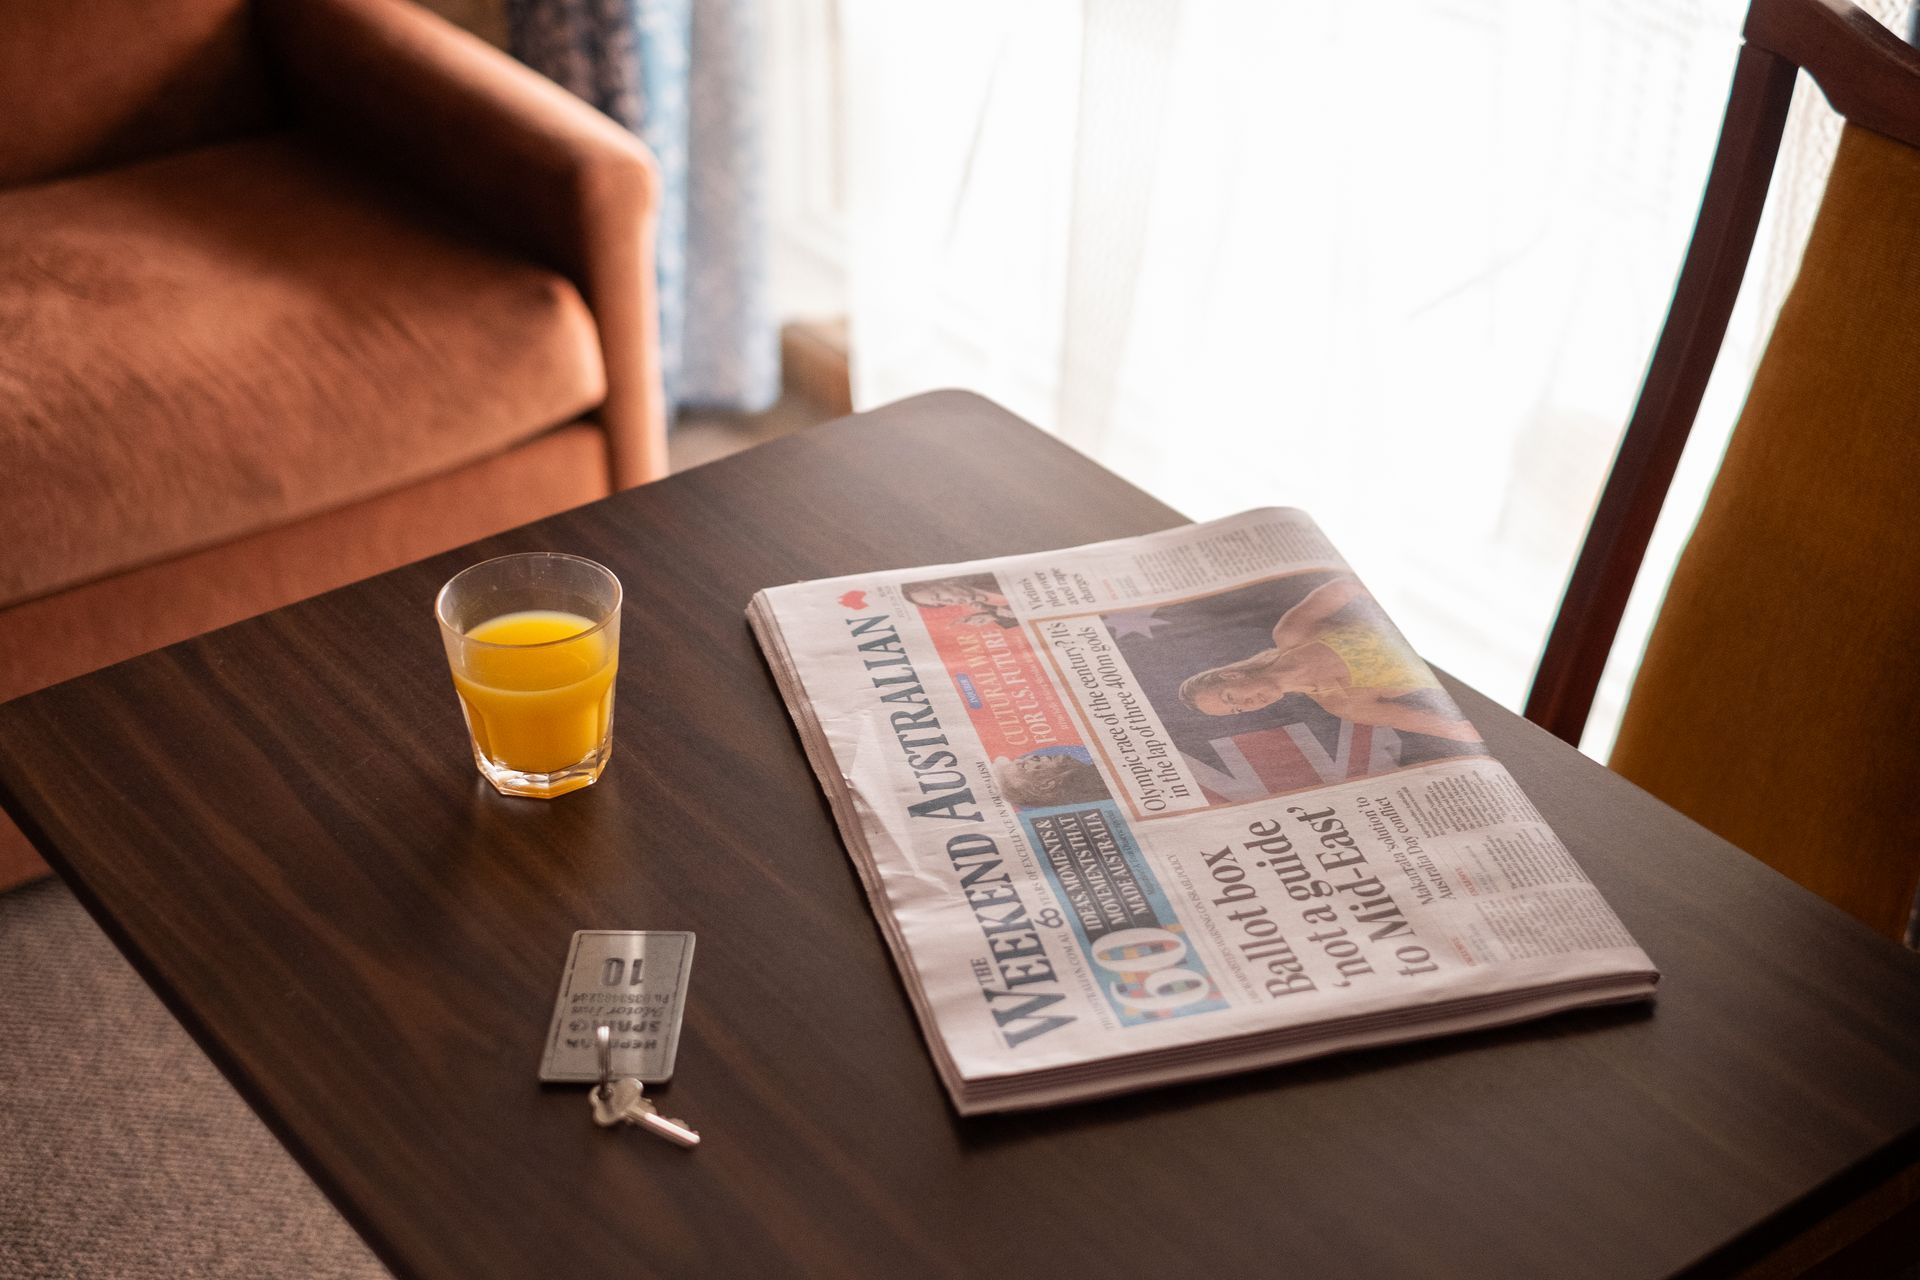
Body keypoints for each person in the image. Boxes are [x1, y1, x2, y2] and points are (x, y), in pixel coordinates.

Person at [1176, 577, 1479, 742]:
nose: (1245, 706)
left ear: (1232, 676)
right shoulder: (1343, 705)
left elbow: (1349, 586)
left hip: (1436, 610)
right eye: (1236, 711)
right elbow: (1451, 729)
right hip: (1468, 667)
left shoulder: (1293, 632)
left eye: (1230, 697)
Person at [994, 749, 1110, 808]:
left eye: (1021, 759)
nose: (1032, 756)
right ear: (1046, 784)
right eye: (1024, 765)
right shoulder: (1101, 787)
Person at [902, 579, 1018, 628]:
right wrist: (991, 616)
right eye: (939, 603)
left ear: (945, 582)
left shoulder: (986, 577)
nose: (946, 602)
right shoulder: (989, 606)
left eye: (937, 596)